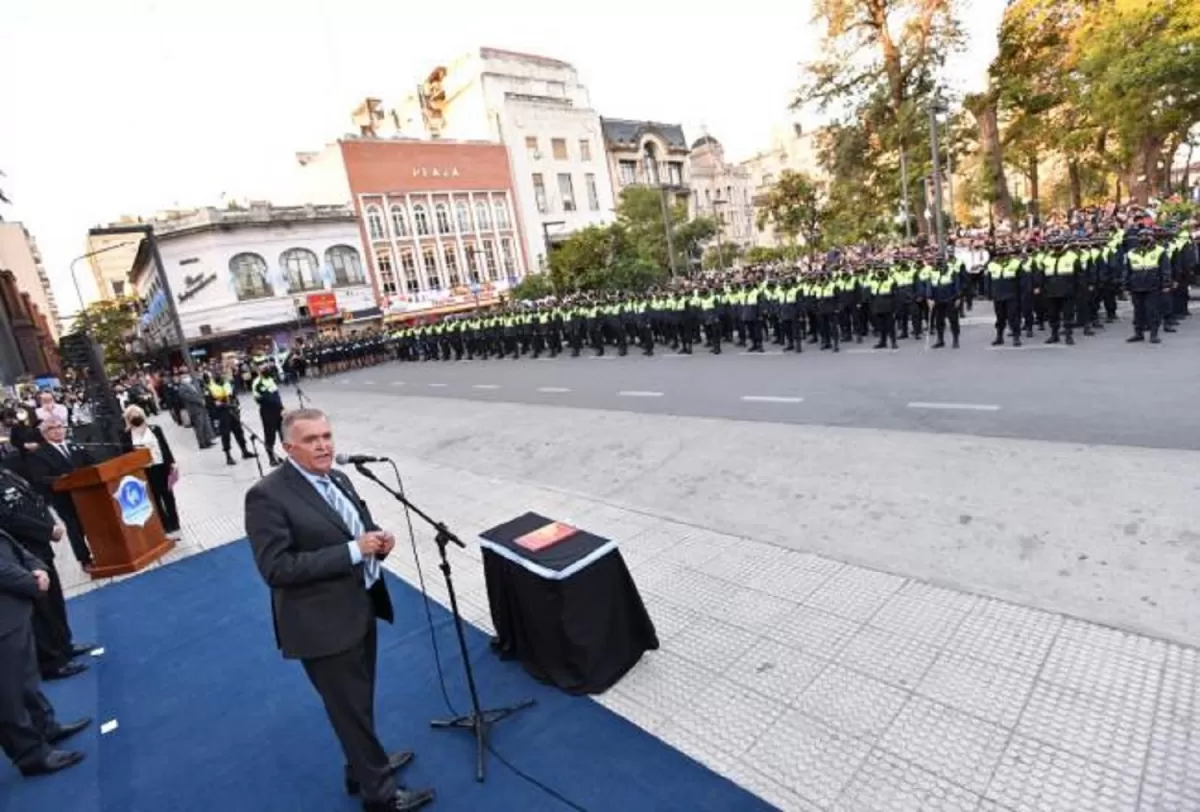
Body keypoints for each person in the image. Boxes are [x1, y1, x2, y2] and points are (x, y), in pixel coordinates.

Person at [244, 408, 434, 812]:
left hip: (359, 606)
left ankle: (363, 766)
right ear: (287, 447)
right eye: (311, 439)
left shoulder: (340, 477)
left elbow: (356, 529)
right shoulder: (267, 495)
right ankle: (379, 795)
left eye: (327, 435)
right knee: (348, 707)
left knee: (357, 701)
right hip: (321, 625)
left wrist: (378, 544)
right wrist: (353, 551)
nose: (324, 445)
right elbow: (276, 569)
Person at [0, 527, 91, 777]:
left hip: (14, 612)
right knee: (7, 694)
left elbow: (12, 544)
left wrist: (37, 566)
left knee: (27, 680)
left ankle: (45, 727)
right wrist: (32, 581)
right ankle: (30, 755)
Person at [0, 466, 95, 680]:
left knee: (54, 601)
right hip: (23, 548)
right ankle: (52, 662)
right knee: (41, 610)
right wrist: (46, 530)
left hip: (39, 547)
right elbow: (7, 518)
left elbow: (35, 500)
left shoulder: (6, 472)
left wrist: (50, 525)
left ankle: (64, 645)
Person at [23, 416, 94, 568]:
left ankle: (103, 551)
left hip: (88, 494)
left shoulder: (75, 446)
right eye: (52, 428)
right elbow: (40, 478)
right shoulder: (39, 453)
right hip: (63, 498)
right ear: (44, 434)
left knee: (93, 523)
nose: (57, 430)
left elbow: (92, 464)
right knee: (75, 527)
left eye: (60, 426)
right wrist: (61, 479)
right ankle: (85, 559)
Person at [120, 405, 181, 537]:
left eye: (138, 415)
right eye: (132, 416)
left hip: (161, 467)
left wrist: (172, 462)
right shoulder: (126, 436)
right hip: (145, 471)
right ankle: (165, 525)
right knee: (154, 499)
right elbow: (126, 455)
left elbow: (164, 446)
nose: (136, 418)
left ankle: (175, 522)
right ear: (128, 419)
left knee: (168, 496)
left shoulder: (155, 429)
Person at [250, 363, 285, 466]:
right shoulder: (258, 383)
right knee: (270, 435)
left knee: (283, 433)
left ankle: (289, 456)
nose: (267, 370)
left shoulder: (270, 379)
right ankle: (271, 458)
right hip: (267, 411)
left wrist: (281, 408)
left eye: (268, 368)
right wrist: (280, 407)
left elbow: (277, 396)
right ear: (259, 371)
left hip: (278, 410)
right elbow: (268, 398)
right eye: (264, 368)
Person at [176, 372, 216, 450]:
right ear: (181, 379)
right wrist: (200, 401)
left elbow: (198, 393)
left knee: (205, 425)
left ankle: (208, 440)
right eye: (184, 377)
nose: (187, 378)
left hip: (201, 408)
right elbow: (189, 397)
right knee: (199, 427)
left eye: (187, 376)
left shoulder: (192, 384)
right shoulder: (182, 388)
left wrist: (203, 399)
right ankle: (202, 443)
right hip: (194, 409)